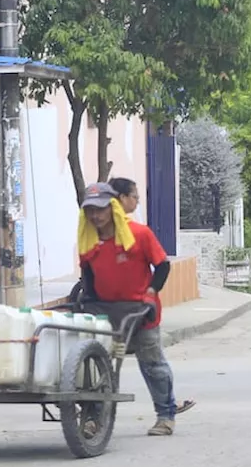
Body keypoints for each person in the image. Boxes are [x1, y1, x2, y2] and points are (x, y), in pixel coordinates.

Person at [78, 182, 183, 436]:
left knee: (152, 363)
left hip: (140, 309)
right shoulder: (88, 241)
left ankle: (165, 415)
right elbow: (88, 276)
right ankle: (94, 419)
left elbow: (162, 266)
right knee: (98, 367)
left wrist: (150, 294)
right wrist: (85, 302)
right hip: (105, 311)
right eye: (90, 211)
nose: (95, 216)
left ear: (113, 207)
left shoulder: (139, 234)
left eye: (100, 210)